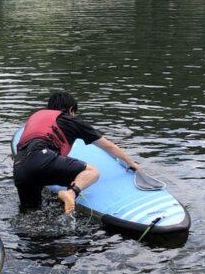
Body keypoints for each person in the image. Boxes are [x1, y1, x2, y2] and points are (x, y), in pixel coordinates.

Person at [13, 90, 145, 214]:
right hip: (42, 158)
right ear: (70, 110)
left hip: (19, 167)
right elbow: (109, 146)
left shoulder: (36, 116)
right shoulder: (70, 120)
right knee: (91, 172)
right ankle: (70, 193)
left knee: (31, 214)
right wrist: (131, 163)